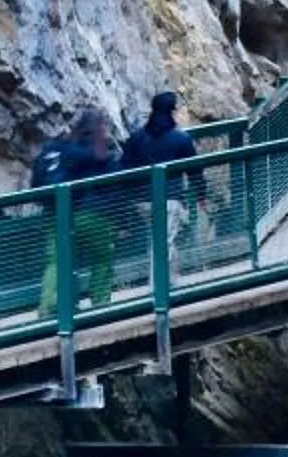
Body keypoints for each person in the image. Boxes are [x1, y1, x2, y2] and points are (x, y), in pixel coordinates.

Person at [29, 109, 120, 312]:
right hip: (93, 213)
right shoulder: (93, 153)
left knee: (57, 261)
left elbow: (35, 186)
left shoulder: (53, 151)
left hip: (55, 214)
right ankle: (101, 304)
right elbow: (114, 180)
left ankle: (52, 307)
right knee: (101, 258)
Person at [117, 90, 202, 252]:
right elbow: (195, 171)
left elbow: (123, 169)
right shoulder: (181, 139)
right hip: (170, 200)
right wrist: (201, 195)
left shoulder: (136, 138)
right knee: (164, 245)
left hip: (141, 202)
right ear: (172, 112)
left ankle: (165, 269)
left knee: (159, 241)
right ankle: (161, 270)